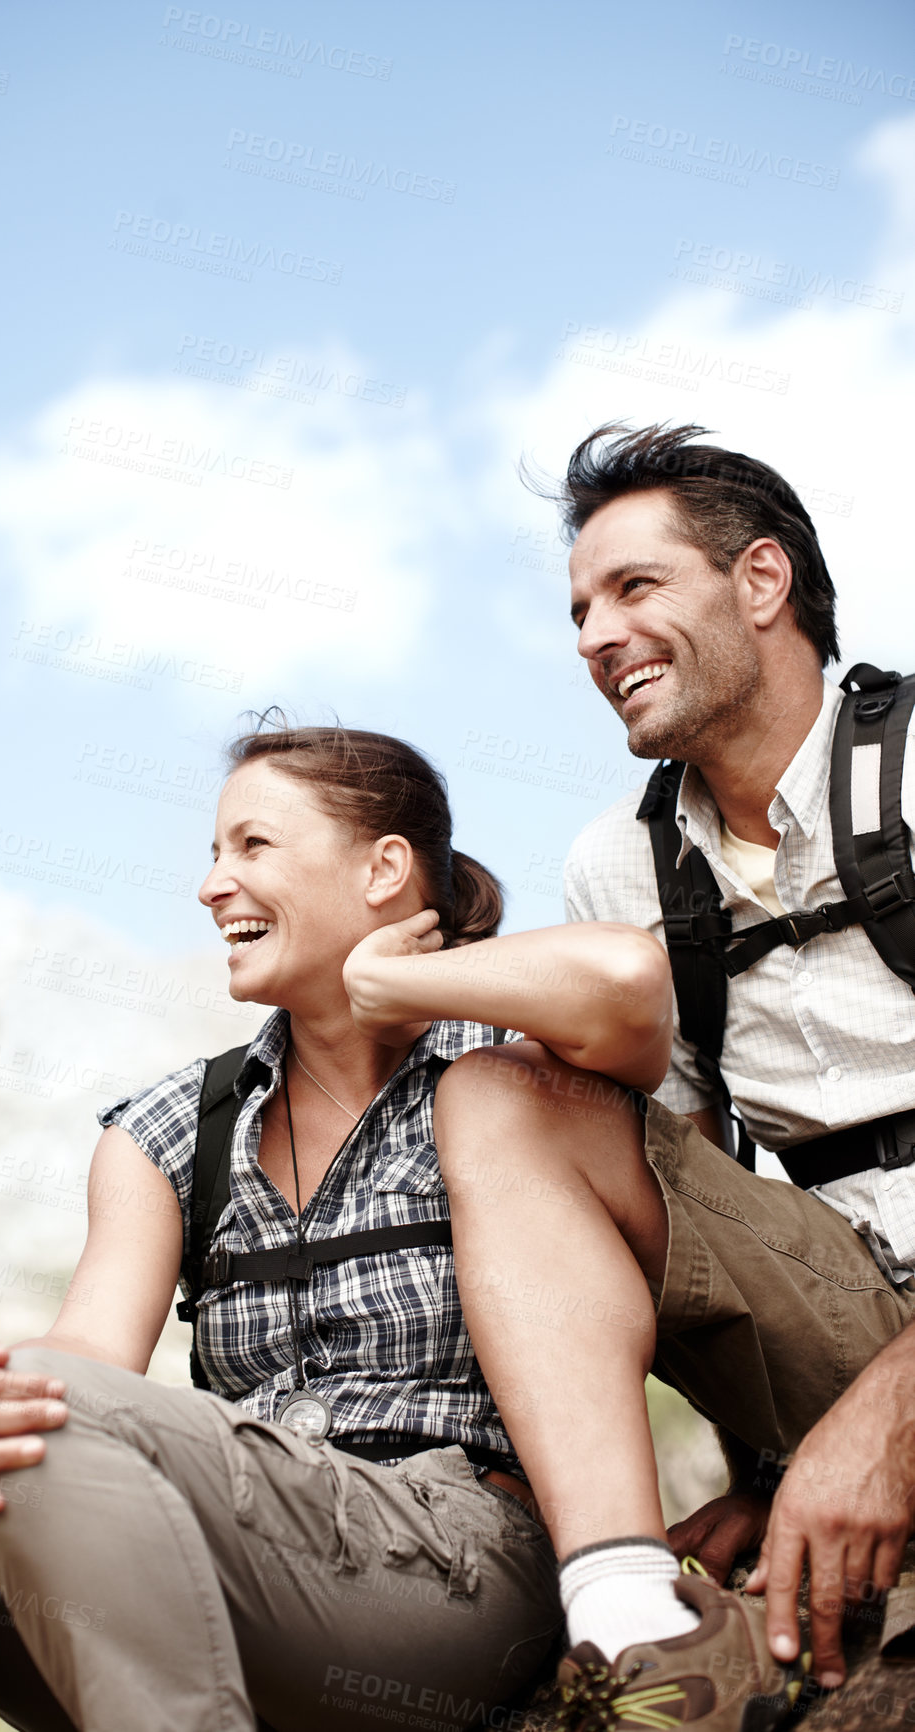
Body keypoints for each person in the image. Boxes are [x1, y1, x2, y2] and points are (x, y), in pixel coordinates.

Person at [0, 721, 673, 1732]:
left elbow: (628, 984)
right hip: (221, 1562)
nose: (210, 885)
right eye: (211, 854)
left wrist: (392, 985)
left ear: (382, 869)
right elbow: (85, 1358)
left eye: (252, 846)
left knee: (50, 1407)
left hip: (454, 1560)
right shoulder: (163, 1132)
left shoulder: (514, 1064)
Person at [424, 423, 915, 1728]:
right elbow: (694, 1211)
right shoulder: (621, 873)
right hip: (844, 1301)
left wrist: (881, 1427)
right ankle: (622, 1602)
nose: (592, 634)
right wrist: (774, 1462)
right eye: (578, 607)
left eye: (632, 587)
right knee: (497, 1092)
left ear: (759, 584)